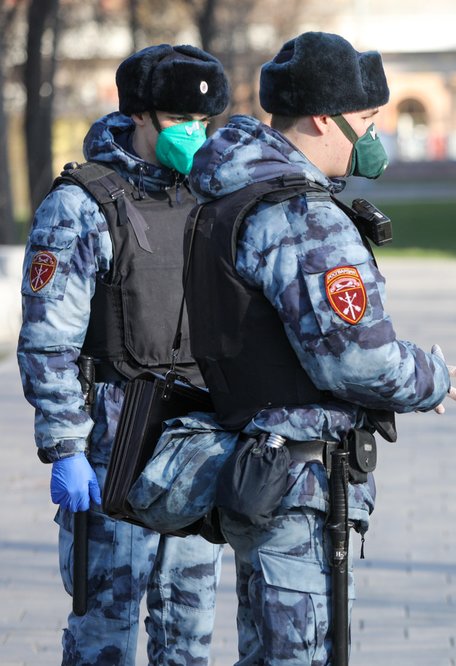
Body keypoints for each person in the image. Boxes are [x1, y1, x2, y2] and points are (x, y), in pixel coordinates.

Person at [183, 31, 456, 664]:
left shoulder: (231, 193)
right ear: (322, 117)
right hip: (301, 484)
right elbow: (356, 359)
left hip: (261, 466)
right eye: (366, 120)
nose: (372, 137)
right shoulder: (301, 215)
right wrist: (430, 376)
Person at [17, 44, 230, 665]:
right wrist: (64, 447)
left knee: (187, 637)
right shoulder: (80, 206)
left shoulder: (212, 198)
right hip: (113, 449)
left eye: (203, 123)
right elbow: (47, 339)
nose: (194, 134)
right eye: (179, 121)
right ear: (139, 115)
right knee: (103, 636)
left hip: (196, 444)